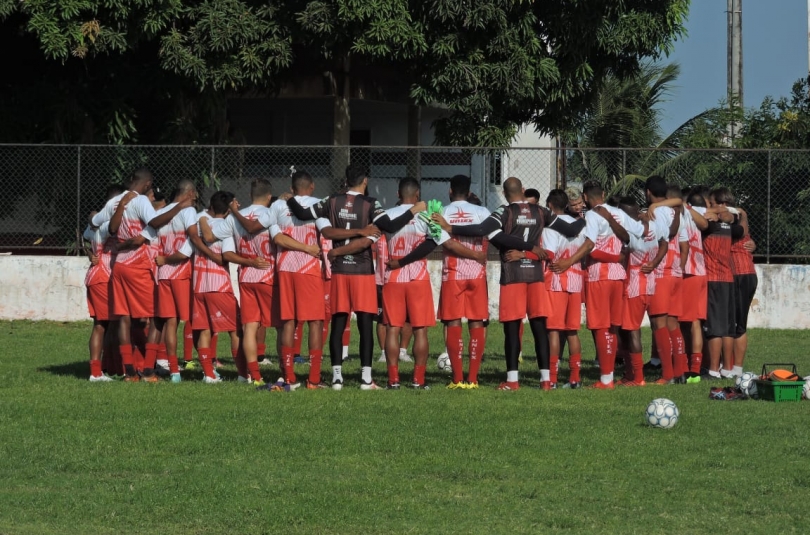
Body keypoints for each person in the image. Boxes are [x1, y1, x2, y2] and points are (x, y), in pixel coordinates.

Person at [436, 176, 586, 390]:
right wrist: (585, 217)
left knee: (512, 328)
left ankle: (513, 380)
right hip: (535, 275)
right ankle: (546, 381)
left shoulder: (504, 212)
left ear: (505, 194)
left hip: (513, 274)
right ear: (523, 190)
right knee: (539, 327)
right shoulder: (541, 211)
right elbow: (571, 230)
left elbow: (482, 230)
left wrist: (451, 227)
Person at [286, 165, 387, 390]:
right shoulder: (371, 203)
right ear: (365, 181)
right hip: (362, 271)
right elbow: (384, 227)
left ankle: (337, 378)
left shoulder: (331, 201)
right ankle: (366, 379)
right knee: (365, 326)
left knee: (338, 324)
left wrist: (290, 199)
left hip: (340, 270)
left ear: (346, 180)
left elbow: (303, 214)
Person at [215, 179, 321, 388]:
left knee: (250, 327)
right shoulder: (271, 214)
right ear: (269, 195)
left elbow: (218, 241)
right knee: (283, 327)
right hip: (269, 277)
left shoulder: (236, 217)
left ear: (250, 194)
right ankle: (286, 373)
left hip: (246, 278)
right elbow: (279, 238)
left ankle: (255, 376)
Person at [91, 168, 192, 381]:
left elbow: (94, 223)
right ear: (147, 185)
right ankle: (147, 370)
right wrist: (179, 207)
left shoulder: (115, 202)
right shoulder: (141, 201)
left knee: (124, 317)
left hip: (119, 265)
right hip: (138, 266)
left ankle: (129, 371)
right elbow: (155, 222)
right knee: (157, 316)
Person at [551, 181, 645, 389]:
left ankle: (606, 379)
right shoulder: (618, 213)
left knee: (601, 327)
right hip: (618, 275)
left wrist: (568, 261)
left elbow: (589, 245)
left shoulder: (593, 216)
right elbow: (640, 230)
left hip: (599, 275)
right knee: (612, 326)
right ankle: (612, 376)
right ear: (603, 193)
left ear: (585, 197)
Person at [266, 171, 331, 388]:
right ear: (312, 186)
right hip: (308, 268)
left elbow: (277, 238)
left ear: (292, 189)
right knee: (315, 322)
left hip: (285, 268)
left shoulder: (277, 206)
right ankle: (314, 379)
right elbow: (327, 232)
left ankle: (288, 377)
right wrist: (308, 248)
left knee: (288, 322)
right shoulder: (318, 205)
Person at [437, 175, 491, 389]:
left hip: (453, 274)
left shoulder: (441, 213)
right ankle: (473, 379)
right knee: (476, 321)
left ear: (450, 191)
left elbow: (448, 244)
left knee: (453, 321)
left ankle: (457, 379)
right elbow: (490, 234)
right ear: (469, 193)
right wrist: (476, 255)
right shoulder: (482, 212)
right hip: (477, 274)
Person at [535, 189, 586, 388]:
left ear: (549, 206)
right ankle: (575, 378)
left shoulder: (551, 227)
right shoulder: (578, 225)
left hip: (556, 280)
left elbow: (549, 253)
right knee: (572, 331)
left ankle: (553, 378)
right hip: (575, 280)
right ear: (566, 205)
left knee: (554, 331)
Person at [152, 180, 202, 383]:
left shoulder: (161, 212)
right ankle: (208, 367)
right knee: (196, 320)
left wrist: (163, 260)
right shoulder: (188, 211)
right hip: (181, 273)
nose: (196, 199)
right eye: (195, 195)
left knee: (170, 323)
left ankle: (173, 371)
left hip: (164, 274)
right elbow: (186, 250)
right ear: (189, 194)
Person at [615, 197, 666, 386]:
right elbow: (664, 244)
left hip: (633, 285)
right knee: (635, 329)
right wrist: (654, 262)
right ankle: (632, 374)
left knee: (632, 331)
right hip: (650, 282)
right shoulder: (653, 226)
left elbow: (621, 256)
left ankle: (637, 377)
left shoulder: (627, 233)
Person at [645, 177, 689, 385]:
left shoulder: (655, 212)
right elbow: (684, 244)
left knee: (658, 323)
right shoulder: (676, 211)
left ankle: (668, 374)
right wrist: (680, 267)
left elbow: (666, 235)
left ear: (648, 192)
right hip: (675, 272)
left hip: (661, 272)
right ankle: (680, 371)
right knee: (672, 323)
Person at [83, 184, 126, 381]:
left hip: (98, 275)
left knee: (108, 326)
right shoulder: (107, 222)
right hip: (103, 277)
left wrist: (90, 253)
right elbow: (112, 228)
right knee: (104, 325)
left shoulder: (96, 221)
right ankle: (96, 372)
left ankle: (109, 367)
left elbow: (85, 238)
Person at [701, 187, 744, 380]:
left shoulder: (709, 225)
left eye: (711, 203)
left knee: (714, 329)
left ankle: (713, 370)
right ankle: (727, 368)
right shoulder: (729, 226)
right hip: (728, 279)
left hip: (714, 279)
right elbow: (740, 224)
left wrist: (709, 212)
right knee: (727, 329)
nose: (709, 207)